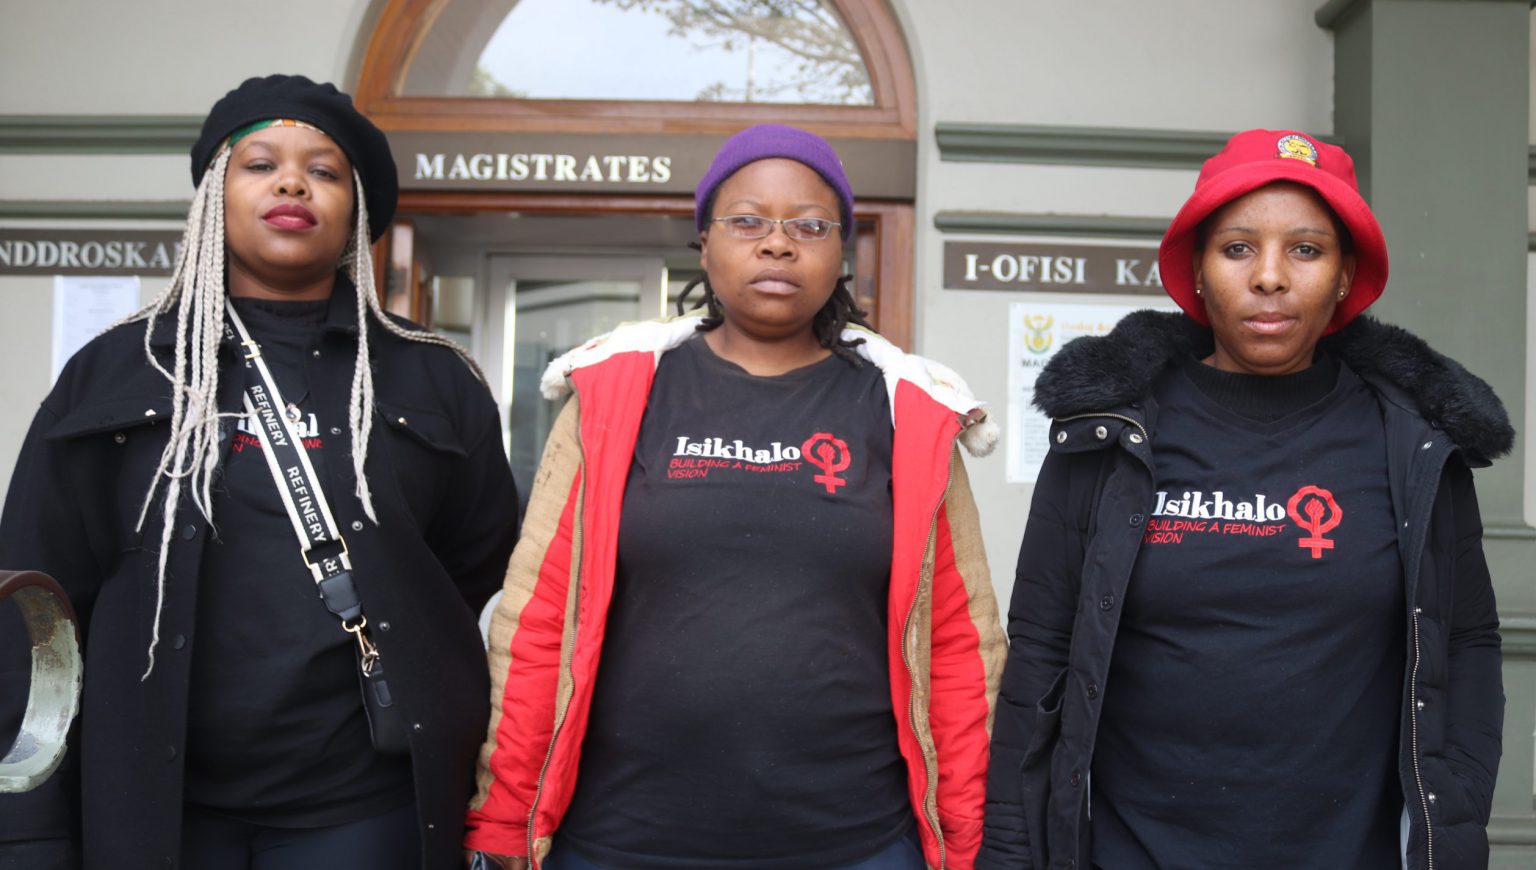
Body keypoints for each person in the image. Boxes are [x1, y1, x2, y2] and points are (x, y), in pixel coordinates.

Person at [0, 75, 520, 870]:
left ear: (355, 210)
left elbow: (476, 572)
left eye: (323, 169)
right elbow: (40, 604)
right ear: (214, 194)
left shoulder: (433, 378)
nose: (291, 183)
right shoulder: (118, 369)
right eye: (260, 164)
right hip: (156, 803)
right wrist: (28, 827)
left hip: (362, 802)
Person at [462, 124, 1006, 870]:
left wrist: (967, 840)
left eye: (809, 226)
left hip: (853, 841)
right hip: (622, 837)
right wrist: (505, 818)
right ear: (705, 244)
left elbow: (958, 641)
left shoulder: (906, 411)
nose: (777, 244)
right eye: (747, 221)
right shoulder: (618, 393)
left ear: (841, 251)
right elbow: (539, 618)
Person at [977, 129, 1507, 870]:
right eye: (1236, 249)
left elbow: (1470, 650)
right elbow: (1039, 651)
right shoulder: (1108, 433)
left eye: (1306, 249)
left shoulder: (1415, 444)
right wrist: (1007, 852)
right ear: (1196, 270)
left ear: (1345, 274)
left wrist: (1456, 835)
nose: (1269, 277)